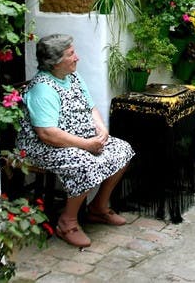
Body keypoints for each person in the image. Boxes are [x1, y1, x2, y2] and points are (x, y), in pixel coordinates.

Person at [17, 34, 135, 248]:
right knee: (84, 162)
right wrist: (86, 144)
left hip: (78, 138)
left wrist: (101, 130)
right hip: (43, 147)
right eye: (71, 54)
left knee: (122, 149)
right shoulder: (43, 88)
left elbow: (91, 107)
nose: (77, 58)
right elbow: (47, 134)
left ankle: (98, 208)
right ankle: (67, 222)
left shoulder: (72, 76)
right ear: (55, 62)